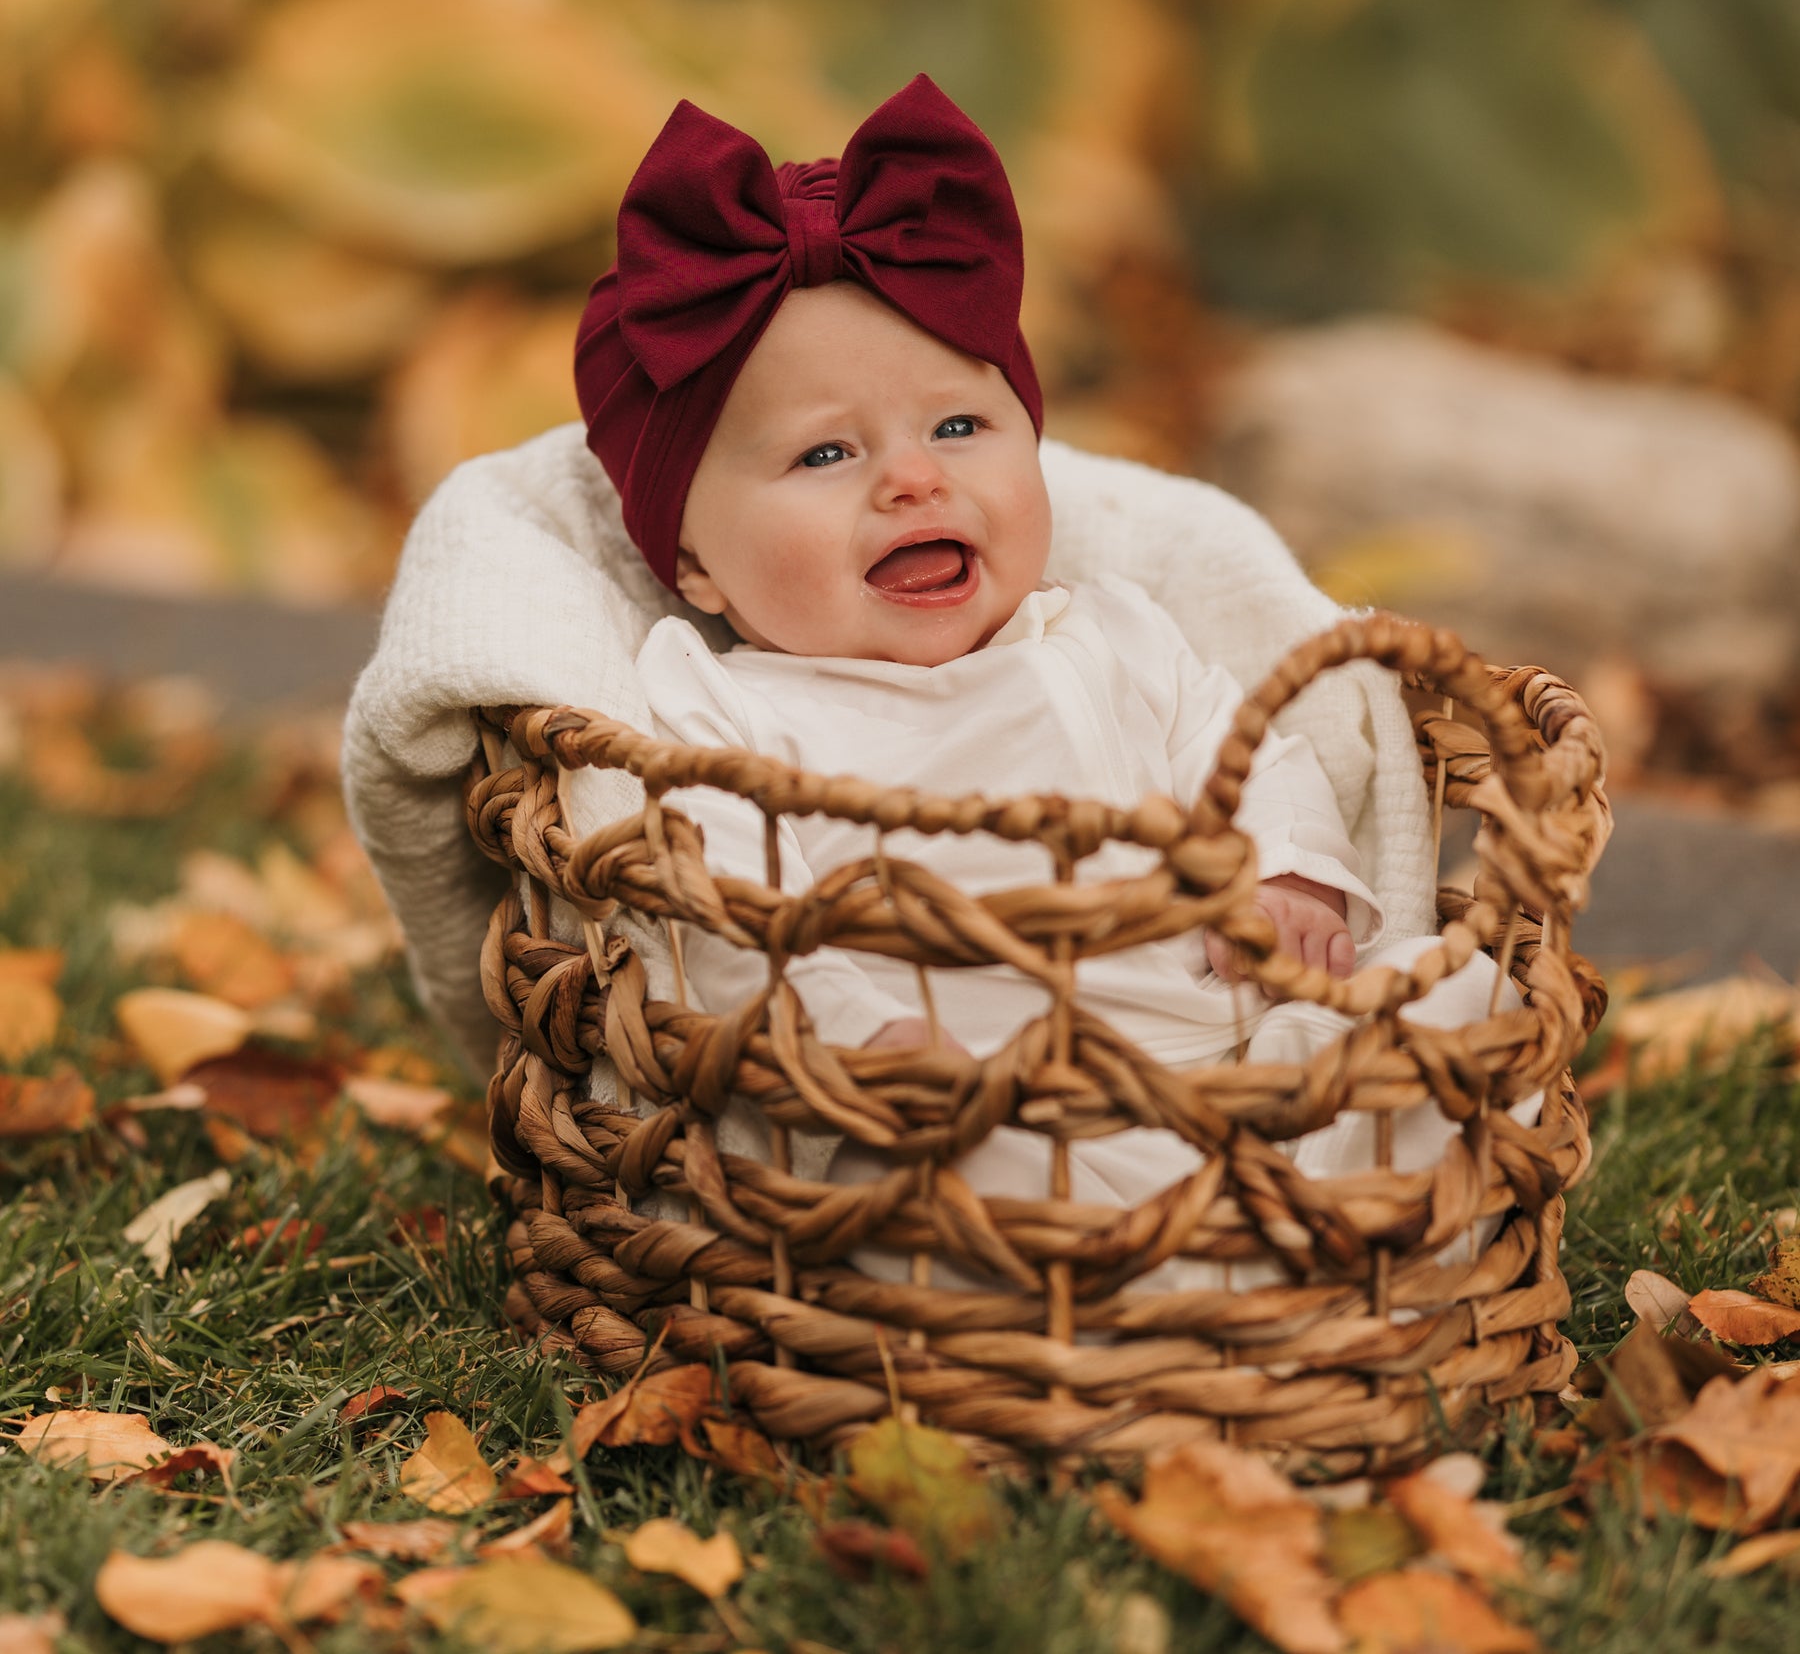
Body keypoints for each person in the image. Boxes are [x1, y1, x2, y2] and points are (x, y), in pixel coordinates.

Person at [573, 75, 1523, 1292]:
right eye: (824, 452)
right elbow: (719, 901)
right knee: (923, 1177)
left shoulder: (1110, 637)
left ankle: (1297, 1233)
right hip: (973, 1105)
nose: (913, 481)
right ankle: (1211, 1286)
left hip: (1234, 1062)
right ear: (694, 560)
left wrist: (1285, 866)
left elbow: (1253, 749)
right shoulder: (724, 707)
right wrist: (858, 1037)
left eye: (961, 427)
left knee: (1459, 997)